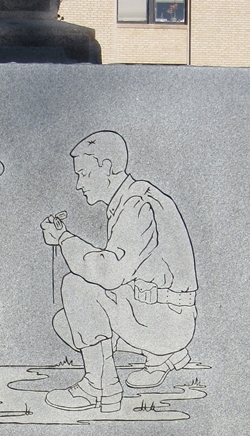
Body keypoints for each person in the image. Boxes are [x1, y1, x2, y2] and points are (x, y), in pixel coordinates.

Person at [40, 130, 198, 412]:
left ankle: (99, 386)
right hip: (165, 315)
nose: (79, 184)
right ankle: (163, 358)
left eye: (85, 174)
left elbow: (109, 272)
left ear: (108, 167)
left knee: (76, 287)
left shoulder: (137, 205)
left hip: (167, 321)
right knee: (66, 323)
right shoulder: (135, 198)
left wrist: (64, 239)